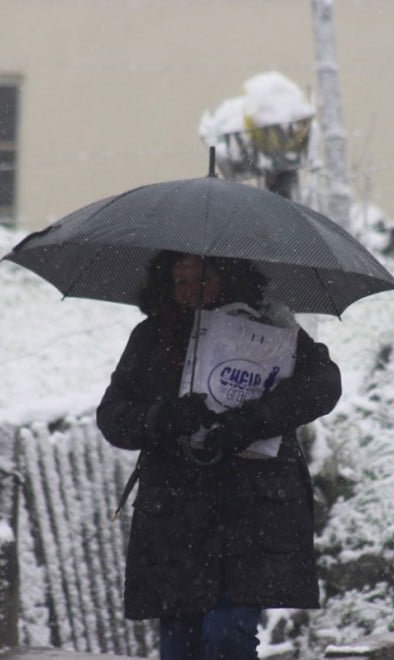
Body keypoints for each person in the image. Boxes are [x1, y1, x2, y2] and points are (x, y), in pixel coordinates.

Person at [97, 250, 342, 660]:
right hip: (175, 515)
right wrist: (163, 418)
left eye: (201, 279)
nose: (189, 291)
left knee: (227, 635)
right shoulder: (151, 337)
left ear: (229, 279)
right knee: (180, 641)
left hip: (249, 512)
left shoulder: (269, 331)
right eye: (179, 281)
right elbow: (113, 417)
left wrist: (252, 420)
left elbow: (323, 385)